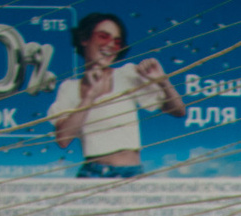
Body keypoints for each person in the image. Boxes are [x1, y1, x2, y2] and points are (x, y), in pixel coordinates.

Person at [48, 11, 185, 178]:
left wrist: (163, 81)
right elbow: (63, 140)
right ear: (84, 39)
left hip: (131, 174)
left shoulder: (127, 74)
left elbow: (179, 111)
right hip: (93, 174)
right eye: (103, 37)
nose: (110, 45)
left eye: (117, 42)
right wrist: (90, 96)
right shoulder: (69, 88)